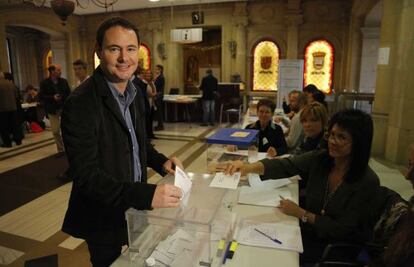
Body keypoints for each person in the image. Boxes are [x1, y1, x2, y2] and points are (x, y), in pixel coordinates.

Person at [60, 17, 183, 267]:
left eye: (130, 49)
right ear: (98, 51)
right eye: (114, 49)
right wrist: (146, 195)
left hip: (135, 209)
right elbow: (86, 176)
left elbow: (138, 145)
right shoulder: (80, 103)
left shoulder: (135, 90)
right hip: (103, 217)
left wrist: (162, 163)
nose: (123, 58)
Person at [222, 109, 380, 263]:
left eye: (341, 137)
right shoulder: (321, 159)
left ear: (359, 142)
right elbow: (286, 165)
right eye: (332, 134)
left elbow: (344, 230)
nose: (333, 141)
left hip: (332, 249)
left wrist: (301, 213)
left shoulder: (367, 182)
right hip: (307, 232)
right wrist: (246, 167)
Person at [39, 64, 71, 156]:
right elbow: (41, 96)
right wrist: (52, 97)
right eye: (58, 70)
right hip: (52, 109)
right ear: (52, 71)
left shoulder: (64, 81)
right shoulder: (44, 83)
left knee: (66, 129)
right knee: (55, 131)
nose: (60, 72)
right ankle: (60, 149)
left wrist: (63, 98)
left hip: (63, 108)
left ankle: (68, 147)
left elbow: (69, 94)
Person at [0, 71, 22, 147]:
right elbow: (17, 96)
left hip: (2, 109)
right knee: (14, 125)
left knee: (4, 127)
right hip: (13, 107)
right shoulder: (11, 84)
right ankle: (18, 140)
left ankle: (7, 143)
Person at [153, 64, 165, 131]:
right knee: (158, 111)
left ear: (160, 70)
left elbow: (157, 86)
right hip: (157, 95)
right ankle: (159, 124)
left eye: (157, 69)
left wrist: (154, 81)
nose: (155, 70)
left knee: (159, 111)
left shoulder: (161, 77)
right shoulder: (158, 77)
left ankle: (160, 125)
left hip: (158, 96)